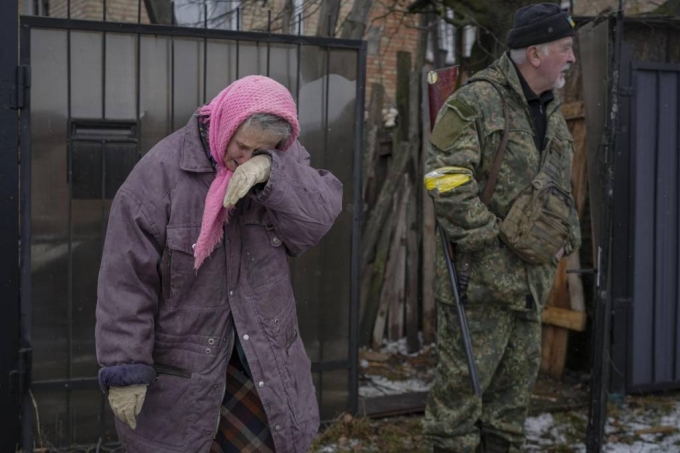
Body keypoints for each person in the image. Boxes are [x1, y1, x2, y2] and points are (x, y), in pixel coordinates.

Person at [95, 75, 343, 453]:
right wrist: (125, 366)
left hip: (263, 363)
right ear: (225, 123)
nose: (245, 158)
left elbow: (317, 219)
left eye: (261, 151)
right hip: (185, 373)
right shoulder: (158, 175)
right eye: (241, 146)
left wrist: (270, 173)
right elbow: (126, 280)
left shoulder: (282, 158)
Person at [422, 4, 581, 453]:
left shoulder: (550, 111)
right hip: (479, 288)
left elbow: (558, 188)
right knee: (456, 416)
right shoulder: (475, 101)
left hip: (529, 288)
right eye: (565, 48)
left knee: (508, 416)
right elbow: (444, 179)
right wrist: (494, 241)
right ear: (534, 53)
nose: (571, 58)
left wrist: (564, 236)